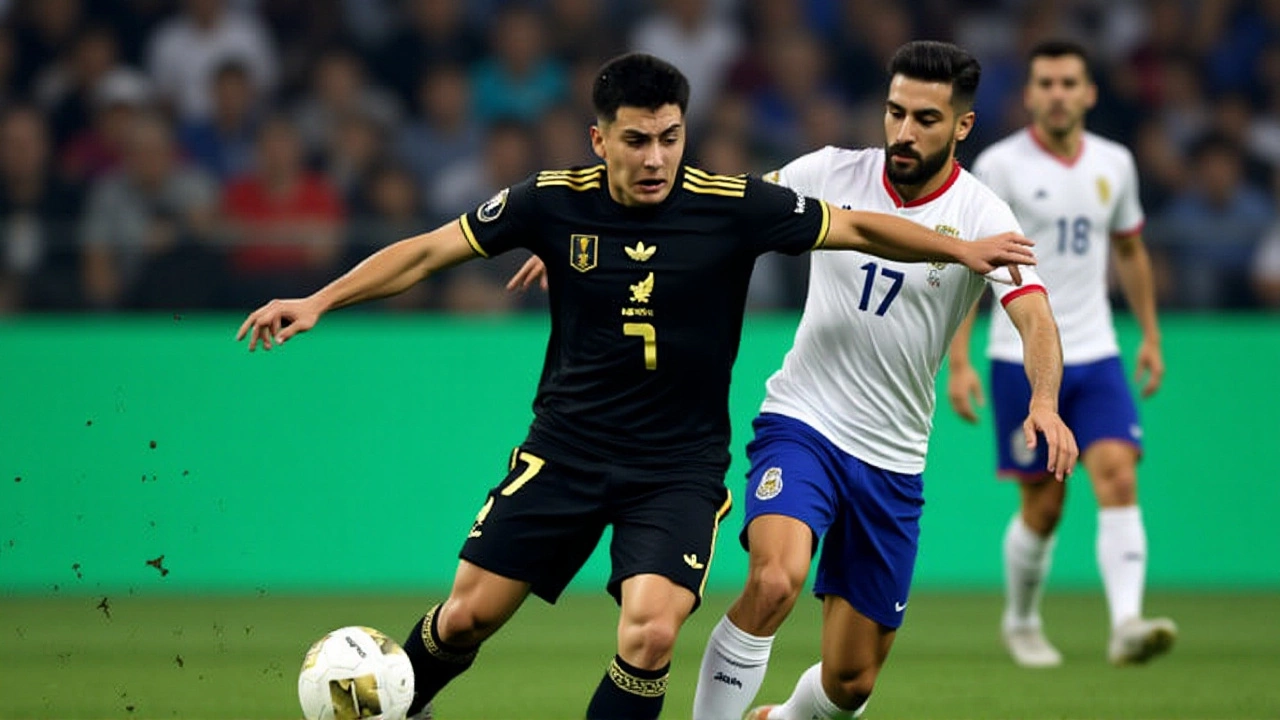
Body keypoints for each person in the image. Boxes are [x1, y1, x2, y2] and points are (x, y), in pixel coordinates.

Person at [237, 53, 1037, 720]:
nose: (656, 158)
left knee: (651, 634)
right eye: (636, 141)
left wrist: (954, 250)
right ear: (600, 140)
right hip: (566, 449)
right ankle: (400, 705)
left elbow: (858, 225)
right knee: (468, 617)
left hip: (677, 468)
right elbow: (426, 252)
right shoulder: (550, 201)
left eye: (670, 138)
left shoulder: (731, 207)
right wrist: (318, 300)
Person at [508, 43, 1075, 720]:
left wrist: (1044, 399)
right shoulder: (827, 171)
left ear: (962, 126)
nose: (903, 131)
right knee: (775, 580)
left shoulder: (986, 217)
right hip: (802, 421)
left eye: (926, 118)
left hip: (893, 456)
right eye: (894, 112)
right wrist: (593, 243)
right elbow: (708, 217)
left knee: (852, 683)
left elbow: (1037, 319)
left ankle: (784, 715)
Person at [947, 39, 1176, 669]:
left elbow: (1129, 250)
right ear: (1030, 94)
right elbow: (974, 268)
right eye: (1045, 82)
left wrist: (1150, 335)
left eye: (1068, 82)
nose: (1057, 93)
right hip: (1015, 356)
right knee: (1044, 507)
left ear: (1089, 93)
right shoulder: (999, 166)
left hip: (1097, 351)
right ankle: (1021, 619)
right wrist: (960, 358)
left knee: (1119, 476)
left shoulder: (1115, 163)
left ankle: (1127, 622)